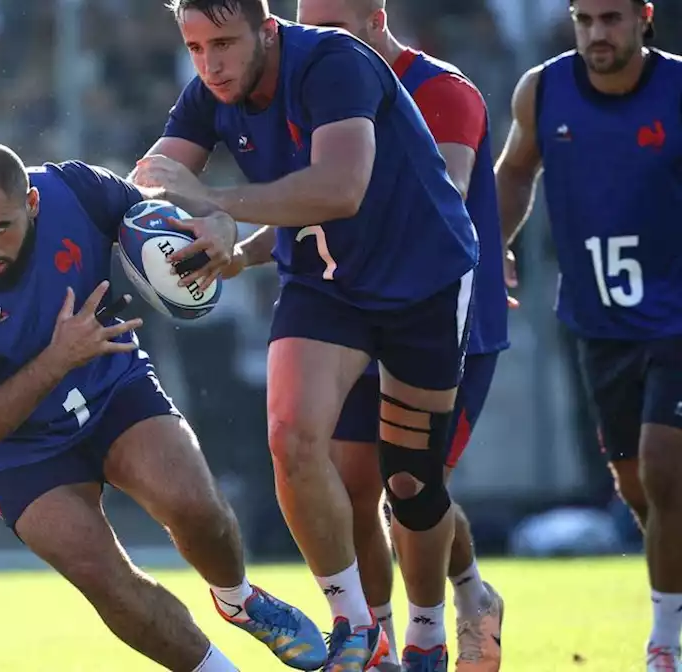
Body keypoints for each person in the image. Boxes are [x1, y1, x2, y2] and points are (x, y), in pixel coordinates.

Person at [131, 1, 479, 669]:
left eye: (224, 43)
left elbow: (340, 188)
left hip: (423, 281)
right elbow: (151, 182)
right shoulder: (209, 90)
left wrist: (216, 205)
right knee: (291, 438)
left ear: (268, 30)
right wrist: (130, 220)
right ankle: (355, 624)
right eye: (196, 47)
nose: (212, 64)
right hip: (326, 288)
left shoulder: (334, 61)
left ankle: (429, 631)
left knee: (410, 482)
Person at [0, 142, 326, 672]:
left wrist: (215, 223)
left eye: (0, 228)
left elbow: (156, 211)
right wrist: (55, 360)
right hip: (16, 445)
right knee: (106, 579)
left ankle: (238, 599)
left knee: (197, 509)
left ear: (32, 203)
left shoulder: (75, 189)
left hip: (108, 384)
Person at [294, 0, 507, 669]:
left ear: (375, 17)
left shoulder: (441, 91)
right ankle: (383, 642)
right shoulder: (314, 94)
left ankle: (453, 607)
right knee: (353, 480)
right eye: (309, 33)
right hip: (355, 313)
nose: (318, 49)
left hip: (444, 319)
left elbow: (442, 198)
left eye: (332, 31)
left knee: (409, 485)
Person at [494, 1, 682, 668]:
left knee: (665, 471)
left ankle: (665, 643)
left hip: (676, 318)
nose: (597, 33)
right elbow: (516, 169)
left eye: (611, 18)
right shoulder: (543, 89)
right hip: (598, 322)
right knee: (637, 491)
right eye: (584, 19)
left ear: (643, 19)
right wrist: (495, 243)